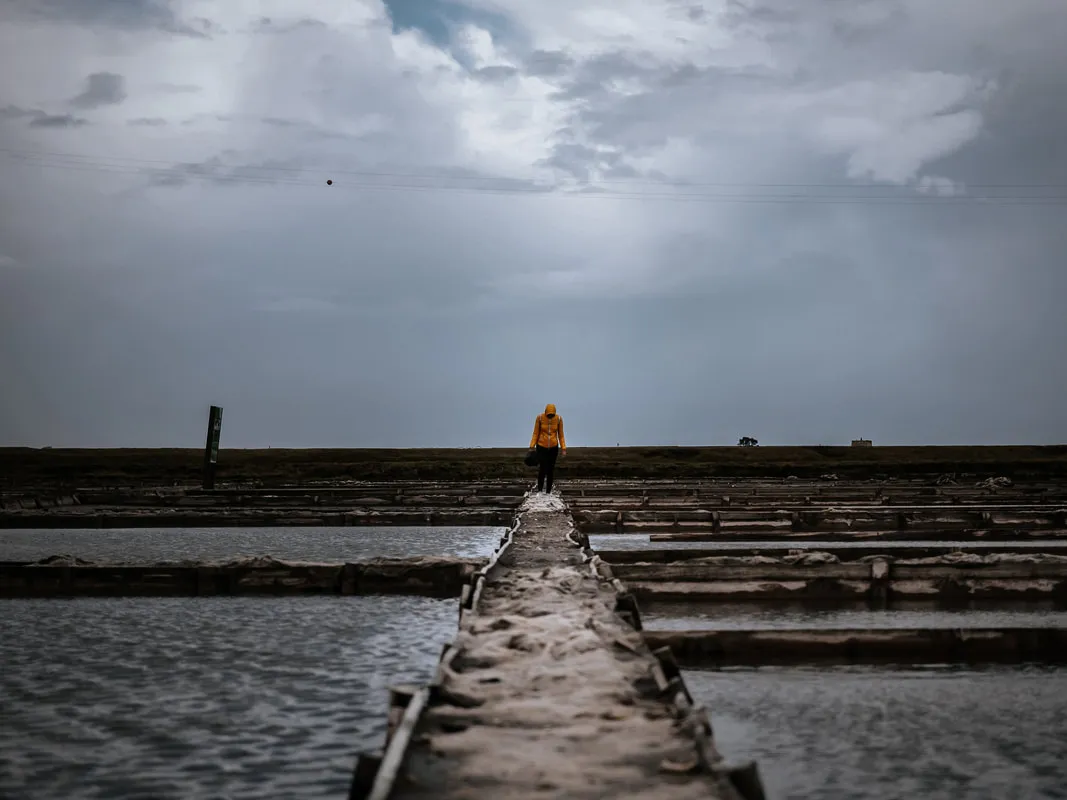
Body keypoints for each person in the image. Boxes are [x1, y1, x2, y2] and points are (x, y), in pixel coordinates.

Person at [529, 403, 566, 493]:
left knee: (550, 470)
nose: (550, 416)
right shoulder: (540, 418)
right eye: (549, 415)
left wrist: (563, 448)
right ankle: (540, 490)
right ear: (546, 412)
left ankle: (548, 491)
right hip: (541, 447)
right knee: (542, 469)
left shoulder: (559, 419)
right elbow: (535, 433)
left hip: (553, 448)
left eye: (552, 415)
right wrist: (532, 445)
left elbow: (561, 435)